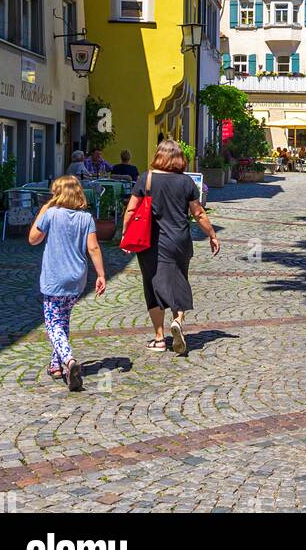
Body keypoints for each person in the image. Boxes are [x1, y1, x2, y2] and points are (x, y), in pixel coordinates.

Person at [122, 140, 220, 355]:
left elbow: (131, 211)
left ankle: (159, 338)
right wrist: (212, 235)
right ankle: (178, 320)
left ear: (158, 155)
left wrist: (125, 235)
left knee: (152, 285)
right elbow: (199, 213)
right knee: (178, 280)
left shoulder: (145, 179)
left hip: (150, 242)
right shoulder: (186, 183)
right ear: (178, 158)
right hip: (179, 241)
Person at [28, 175, 106, 391]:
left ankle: (69, 360)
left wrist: (43, 210)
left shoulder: (51, 214)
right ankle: (55, 365)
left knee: (53, 324)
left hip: (54, 278)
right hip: (77, 278)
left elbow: (33, 239)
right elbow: (93, 248)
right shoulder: (86, 218)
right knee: (63, 320)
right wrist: (100, 274)